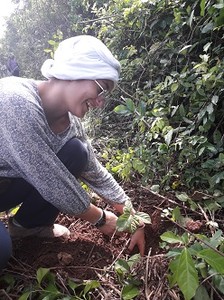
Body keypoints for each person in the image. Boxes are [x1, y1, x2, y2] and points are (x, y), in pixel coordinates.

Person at [0, 35, 145, 272]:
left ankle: (28, 226)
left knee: (78, 151)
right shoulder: (15, 100)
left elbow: (94, 170)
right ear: (75, 72)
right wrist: (100, 219)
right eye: (101, 89)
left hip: (7, 186)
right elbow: (50, 179)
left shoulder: (71, 124)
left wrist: (131, 214)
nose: (99, 102)